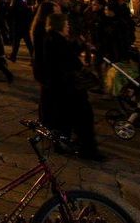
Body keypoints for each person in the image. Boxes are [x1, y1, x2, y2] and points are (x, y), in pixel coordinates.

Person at [38, 13, 104, 161]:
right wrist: (80, 47)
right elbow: (68, 60)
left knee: (65, 118)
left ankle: (64, 143)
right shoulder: (56, 40)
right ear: (60, 25)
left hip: (61, 87)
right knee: (83, 118)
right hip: (68, 87)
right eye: (66, 24)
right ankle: (87, 149)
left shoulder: (52, 38)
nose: (68, 27)